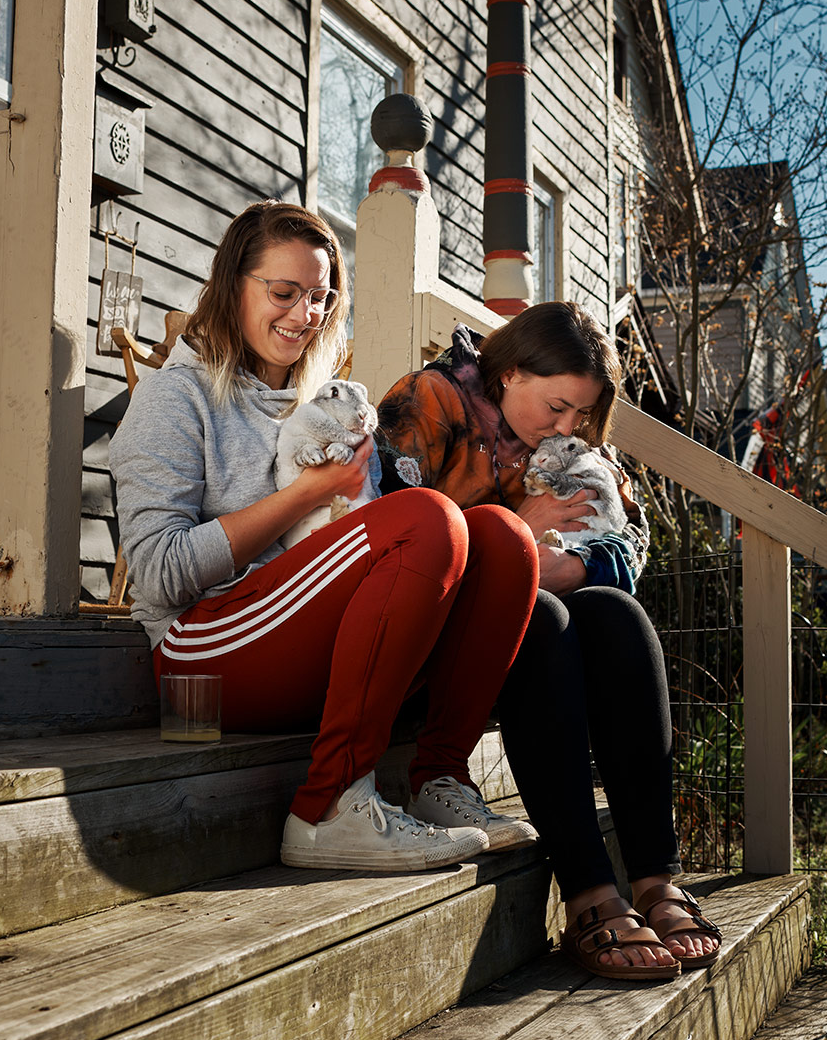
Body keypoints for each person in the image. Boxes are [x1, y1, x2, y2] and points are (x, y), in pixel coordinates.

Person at [109, 201, 539, 872]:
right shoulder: (174, 398)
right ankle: (328, 808)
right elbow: (161, 574)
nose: (304, 314)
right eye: (284, 292)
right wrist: (306, 495)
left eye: (320, 296)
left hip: (298, 649)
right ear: (232, 286)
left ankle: (440, 780)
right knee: (428, 519)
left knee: (502, 538)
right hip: (200, 666)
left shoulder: (326, 403)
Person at [377, 300, 722, 977]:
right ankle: (588, 890)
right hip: (432, 641)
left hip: (537, 638)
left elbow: (632, 537)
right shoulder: (430, 402)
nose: (568, 427)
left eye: (581, 414)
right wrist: (517, 529)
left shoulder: (573, 437)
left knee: (616, 615)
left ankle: (655, 878)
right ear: (509, 373)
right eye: (558, 407)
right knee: (542, 617)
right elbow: (391, 531)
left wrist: (577, 565)